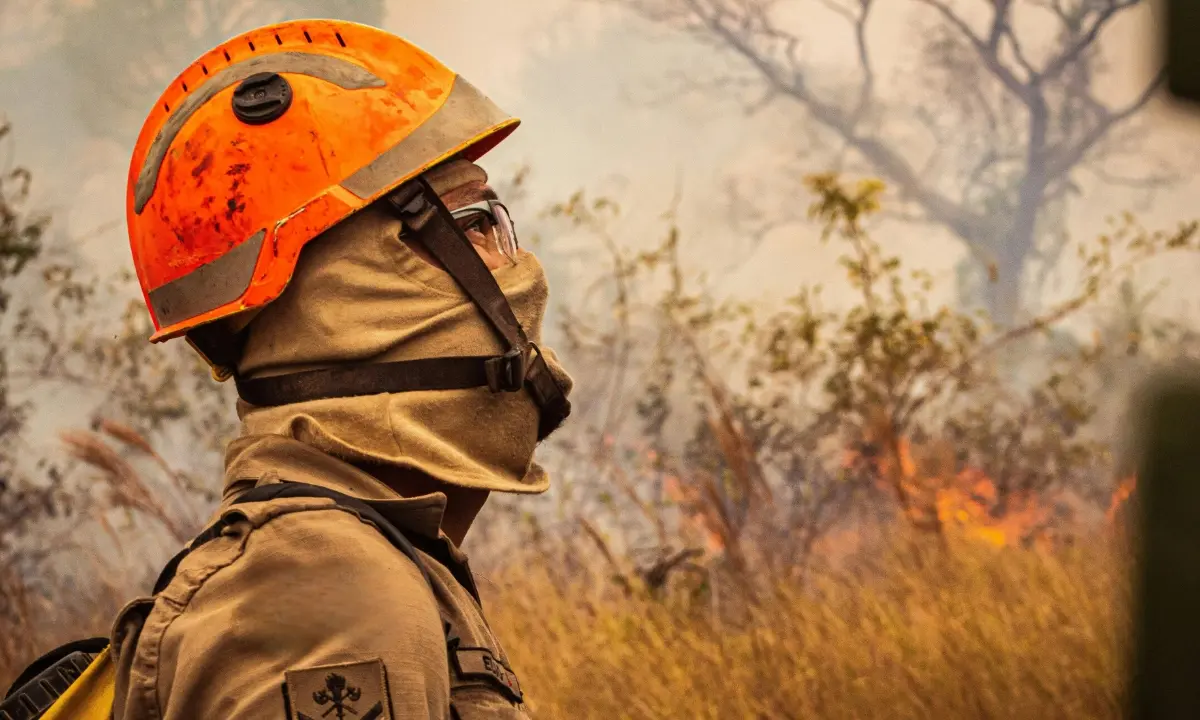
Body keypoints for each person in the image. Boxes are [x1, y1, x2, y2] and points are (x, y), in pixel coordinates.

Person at [112, 18, 572, 719]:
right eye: (478, 223)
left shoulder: (369, 557)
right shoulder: (321, 595)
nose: (516, 264)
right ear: (348, 290)